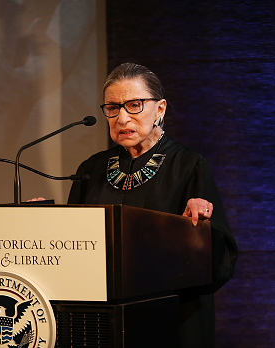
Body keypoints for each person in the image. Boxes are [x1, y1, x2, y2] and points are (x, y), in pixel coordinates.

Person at [67, 62, 238, 347]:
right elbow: (72, 246)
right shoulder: (91, 170)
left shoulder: (188, 165)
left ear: (160, 109)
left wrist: (192, 231)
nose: (122, 118)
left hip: (172, 321)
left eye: (134, 105)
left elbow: (219, 260)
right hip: (104, 323)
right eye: (112, 107)